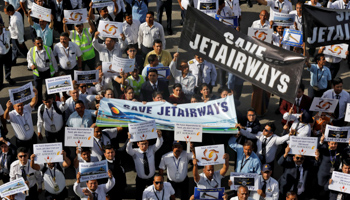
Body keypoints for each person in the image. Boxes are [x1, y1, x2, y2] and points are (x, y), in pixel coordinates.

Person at [126, 130, 164, 200]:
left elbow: (159, 144)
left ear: (148, 143)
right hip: (141, 179)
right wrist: (130, 140)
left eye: (146, 143)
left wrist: (159, 136)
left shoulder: (151, 149)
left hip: (151, 178)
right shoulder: (135, 152)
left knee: (154, 195)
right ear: (138, 144)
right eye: (142, 144)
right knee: (139, 195)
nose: (144, 146)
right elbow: (128, 150)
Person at [3, 88, 38, 153]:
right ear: (14, 107)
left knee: (35, 154)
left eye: (21, 105)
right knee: (23, 157)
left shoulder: (26, 108)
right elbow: (5, 117)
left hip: (32, 138)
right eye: (18, 106)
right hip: (21, 143)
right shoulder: (12, 114)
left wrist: (35, 94)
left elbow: (33, 102)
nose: (20, 107)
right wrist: (7, 108)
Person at [27, 37, 58, 104]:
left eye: (41, 42)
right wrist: (31, 65)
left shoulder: (48, 49)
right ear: (34, 44)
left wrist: (56, 70)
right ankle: (38, 103)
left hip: (47, 72)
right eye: (38, 43)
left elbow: (53, 60)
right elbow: (29, 60)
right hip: (38, 73)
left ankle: (49, 101)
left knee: (49, 88)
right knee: (38, 89)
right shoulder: (31, 50)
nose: (40, 44)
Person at [316, 134, 342, 199]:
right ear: (328, 143)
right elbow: (316, 147)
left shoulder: (339, 150)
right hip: (322, 174)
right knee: (321, 190)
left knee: (330, 190)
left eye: (335, 144)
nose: (333, 145)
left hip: (333, 174)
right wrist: (321, 142)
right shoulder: (324, 148)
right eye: (332, 144)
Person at [0, 21, 15, 89]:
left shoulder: (7, 32)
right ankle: (0, 82)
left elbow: (9, 39)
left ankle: (8, 78)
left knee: (8, 66)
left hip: (8, 52)